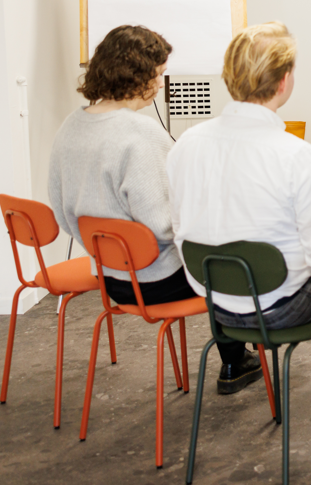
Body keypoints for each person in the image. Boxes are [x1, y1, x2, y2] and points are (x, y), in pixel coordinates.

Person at [48, 25, 259, 394]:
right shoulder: (140, 134)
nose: (161, 84)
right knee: (230, 259)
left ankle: (239, 351)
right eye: (159, 74)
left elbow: (63, 212)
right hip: (158, 284)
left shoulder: (71, 124)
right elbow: (166, 228)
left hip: (111, 280)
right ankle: (234, 361)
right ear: (137, 74)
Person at [169, 22, 311, 394]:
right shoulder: (297, 155)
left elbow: (179, 228)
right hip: (282, 306)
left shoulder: (185, 144)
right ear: (283, 82)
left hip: (215, 303)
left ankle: (234, 362)